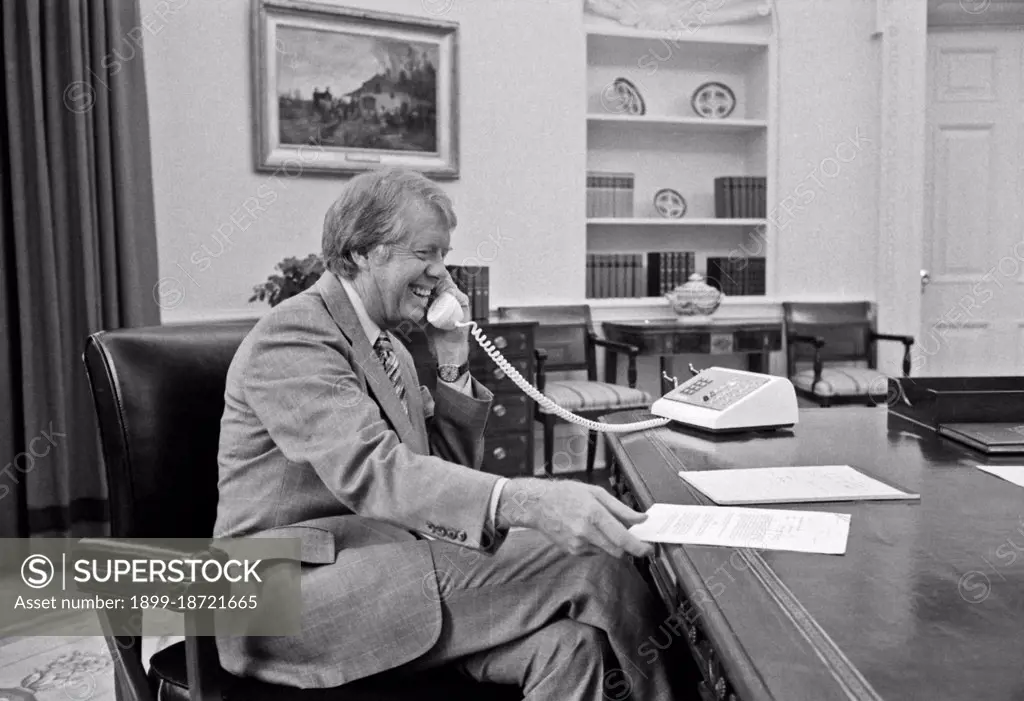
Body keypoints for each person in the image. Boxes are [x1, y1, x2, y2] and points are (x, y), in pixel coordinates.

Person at [213, 168, 680, 700]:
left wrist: (453, 362)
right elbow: (376, 472)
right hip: (284, 598)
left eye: (444, 254)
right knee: (593, 561)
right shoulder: (294, 335)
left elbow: (440, 475)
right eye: (425, 253)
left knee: (573, 648)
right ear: (364, 251)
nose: (441, 271)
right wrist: (531, 501)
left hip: (384, 567)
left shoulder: (387, 345)